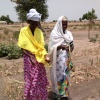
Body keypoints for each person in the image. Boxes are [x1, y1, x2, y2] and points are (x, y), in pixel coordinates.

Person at [18, 8, 50, 100]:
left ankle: (41, 97)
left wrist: (45, 55)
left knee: (39, 79)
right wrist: (31, 56)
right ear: (28, 21)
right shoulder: (24, 30)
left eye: (37, 23)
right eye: (33, 23)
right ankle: (31, 97)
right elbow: (22, 47)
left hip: (39, 57)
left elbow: (41, 47)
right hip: (28, 58)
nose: (35, 25)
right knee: (30, 79)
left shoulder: (39, 32)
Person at [48, 16, 74, 100]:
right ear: (59, 24)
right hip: (57, 62)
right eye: (63, 24)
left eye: (66, 24)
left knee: (65, 77)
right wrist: (59, 47)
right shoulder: (54, 34)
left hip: (66, 61)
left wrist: (70, 47)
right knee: (57, 77)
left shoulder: (68, 34)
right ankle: (57, 95)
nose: (64, 26)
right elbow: (51, 49)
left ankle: (64, 94)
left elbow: (72, 47)